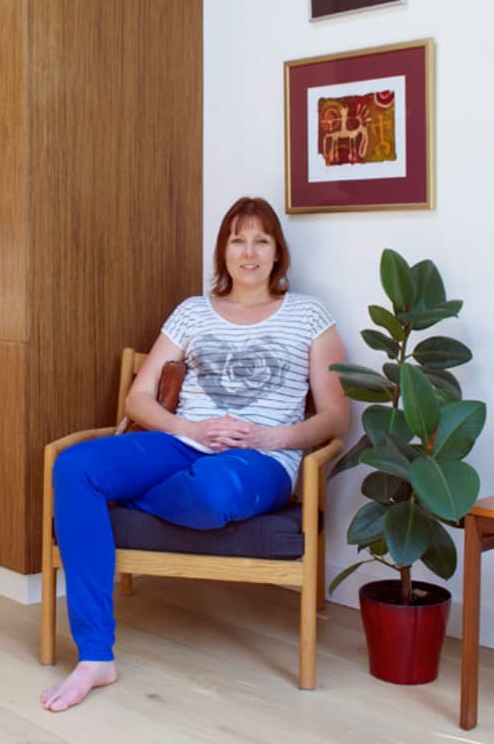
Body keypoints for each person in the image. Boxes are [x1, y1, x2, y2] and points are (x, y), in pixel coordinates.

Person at [40, 196, 349, 712]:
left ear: (278, 253)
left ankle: (127, 500)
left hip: (258, 460)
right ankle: (95, 656)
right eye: (237, 239)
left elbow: (337, 416)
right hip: (180, 442)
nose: (248, 252)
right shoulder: (192, 311)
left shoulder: (308, 314)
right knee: (74, 465)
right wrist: (192, 427)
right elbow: (137, 398)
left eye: (261, 241)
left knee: (209, 492)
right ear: (222, 251)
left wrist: (272, 438)